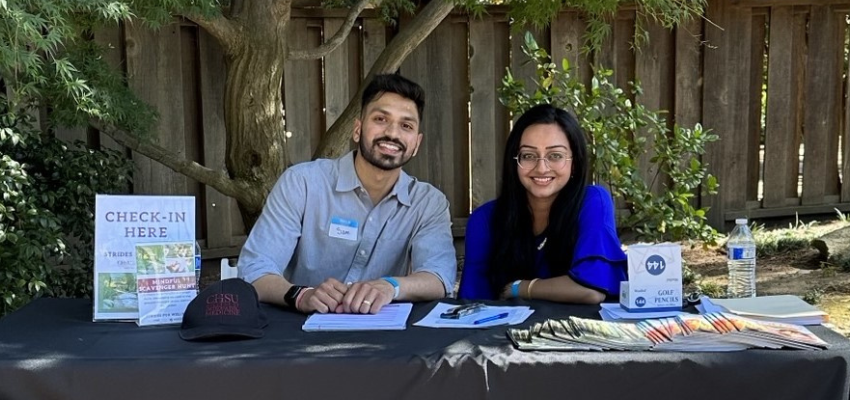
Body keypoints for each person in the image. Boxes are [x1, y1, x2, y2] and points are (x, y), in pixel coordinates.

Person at [238, 74, 456, 314]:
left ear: (416, 143)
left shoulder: (428, 203)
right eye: (381, 119)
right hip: (299, 329)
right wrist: (301, 295)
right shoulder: (303, 183)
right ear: (357, 129)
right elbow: (254, 269)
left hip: (384, 335)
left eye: (406, 126)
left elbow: (439, 276)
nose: (393, 133)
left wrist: (389, 286)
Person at [458, 104, 626, 303]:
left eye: (555, 156)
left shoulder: (592, 202)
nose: (541, 168)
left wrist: (520, 288)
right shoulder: (485, 220)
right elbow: (472, 306)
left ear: (575, 163)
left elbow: (591, 290)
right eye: (528, 156)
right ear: (514, 162)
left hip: (580, 332)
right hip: (505, 332)